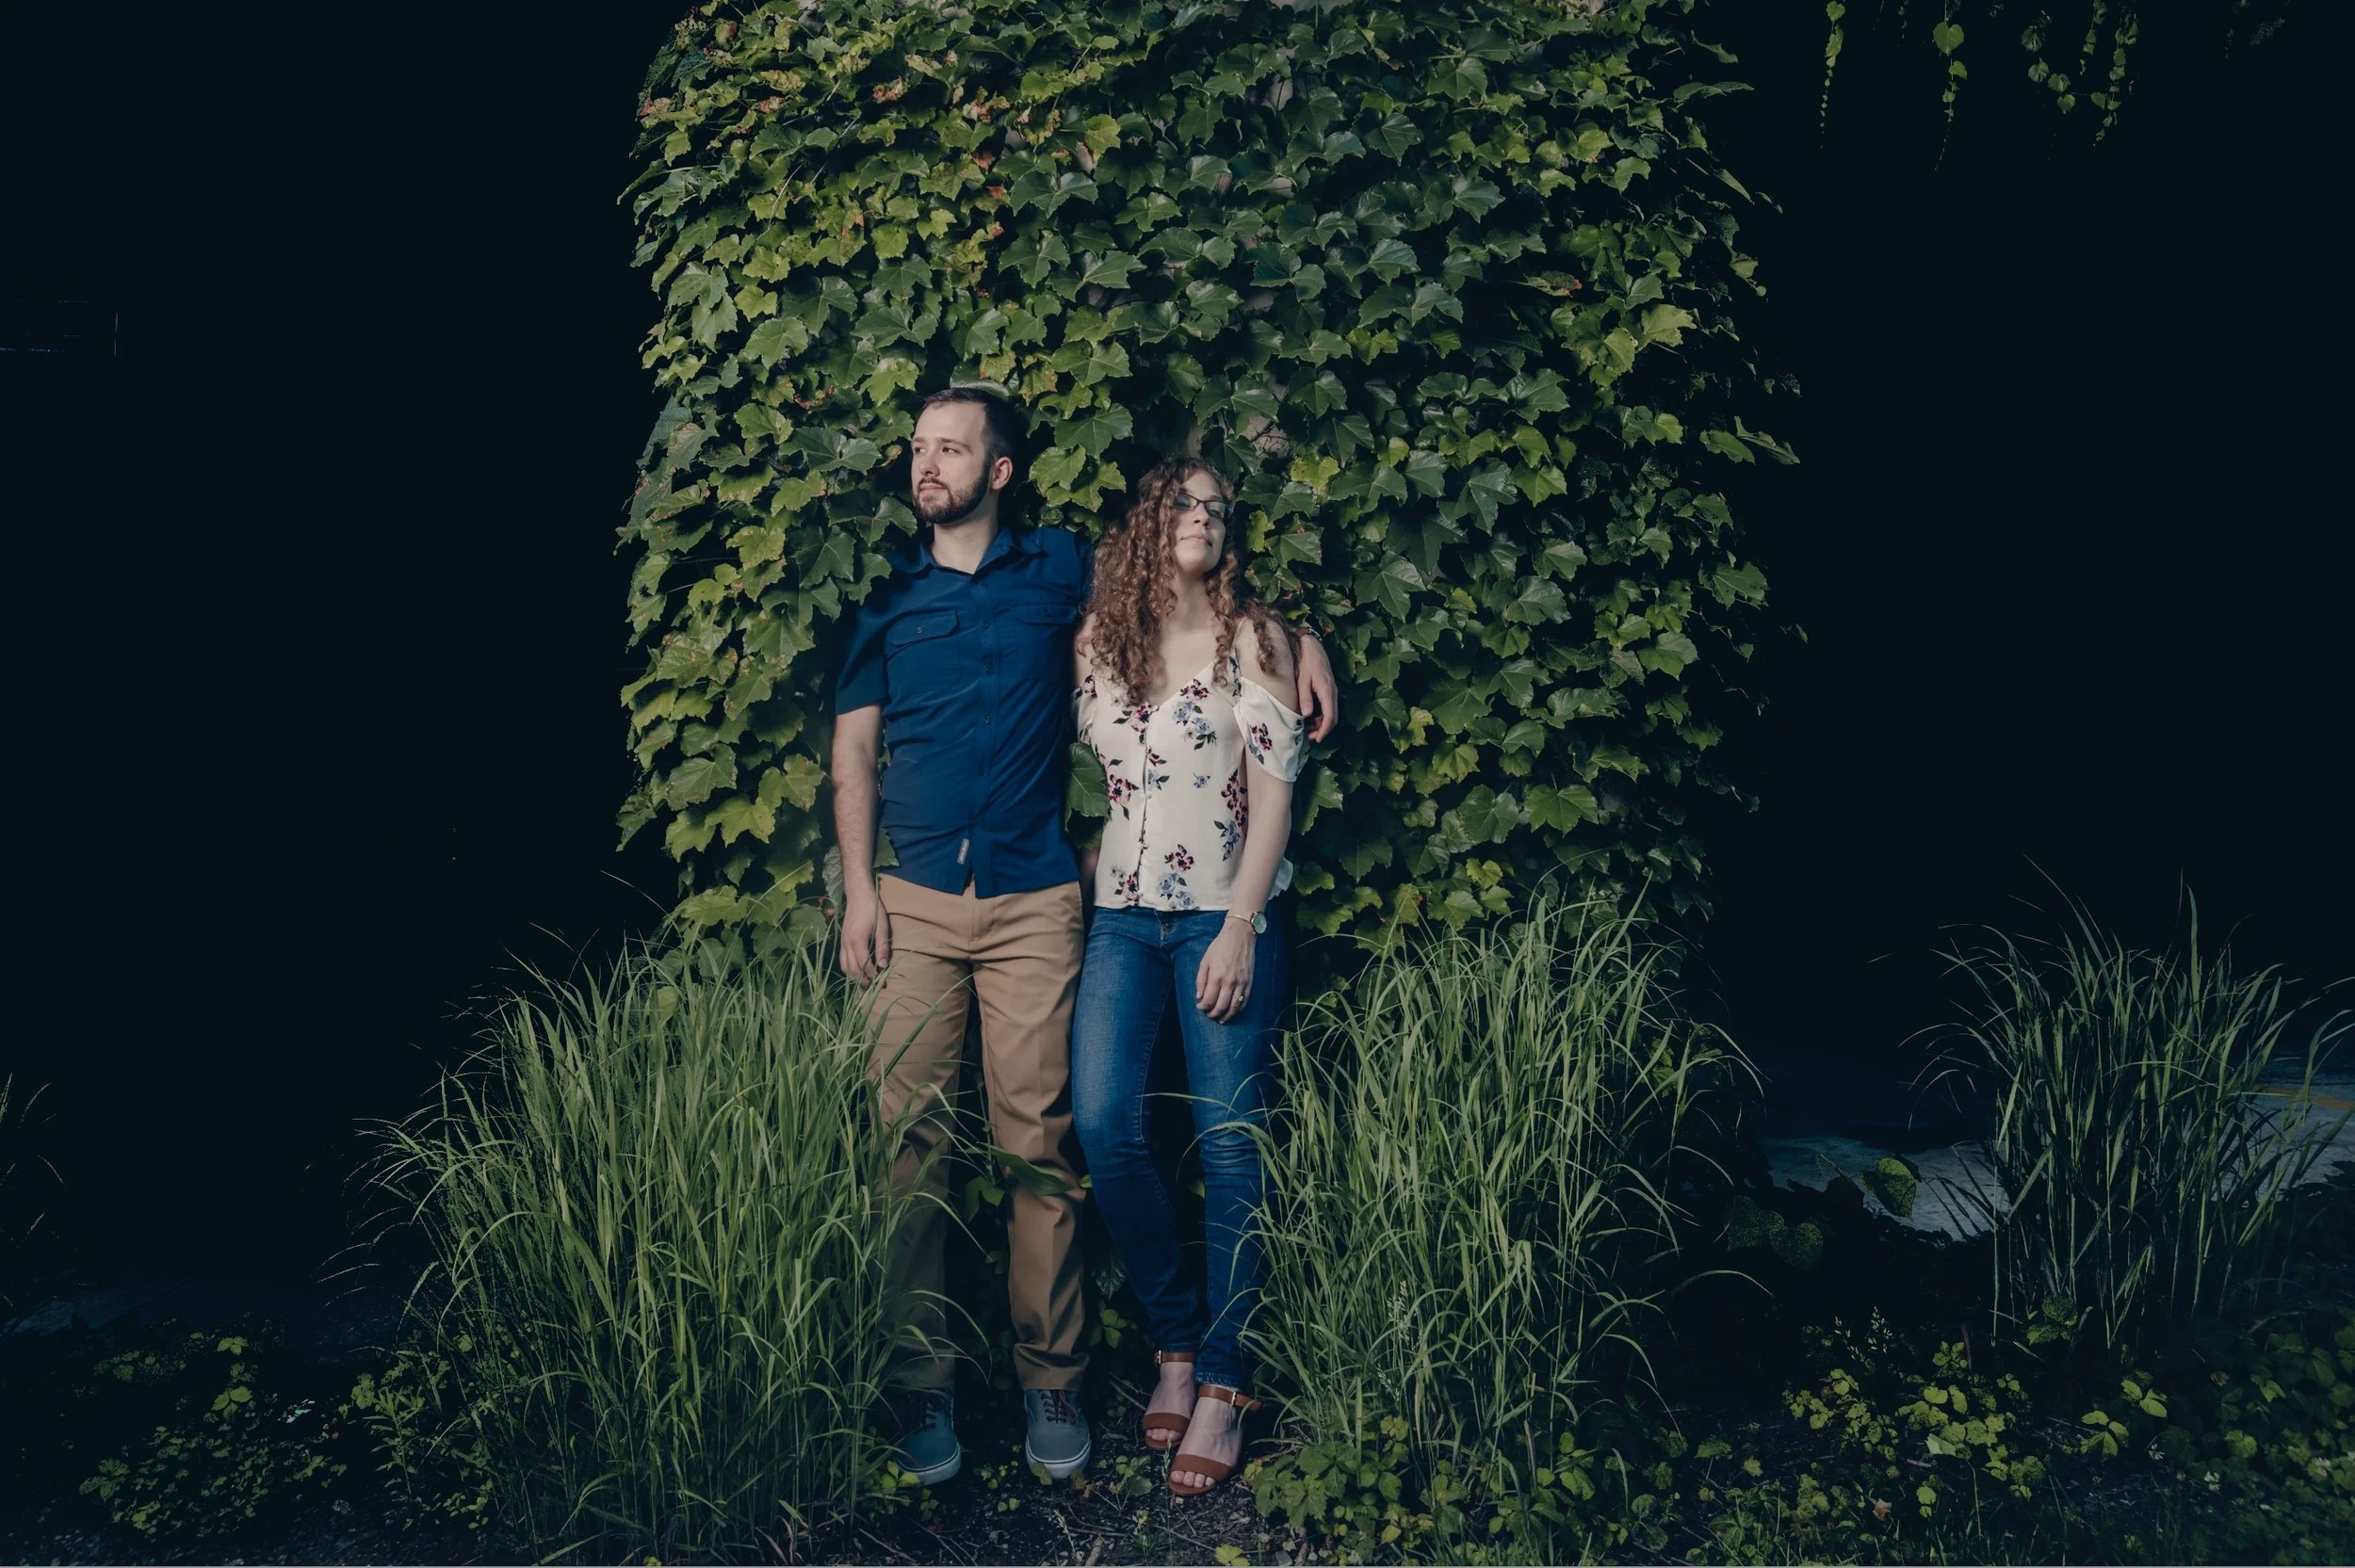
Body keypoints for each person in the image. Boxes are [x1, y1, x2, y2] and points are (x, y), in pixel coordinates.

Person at [830, 388, 1336, 1485]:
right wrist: (859, 888)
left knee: (1072, 1140)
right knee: (980, 1138)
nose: (928, 463)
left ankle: (1115, 1376)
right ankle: (941, 1381)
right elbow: (853, 750)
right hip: (1005, 903)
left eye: (952, 447)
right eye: (919, 447)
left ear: (998, 470)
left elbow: (1215, 617)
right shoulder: (930, 602)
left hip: (1087, 906)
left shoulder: (1067, 576)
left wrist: (1307, 640)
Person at [1069, 457, 1304, 1497]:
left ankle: (1222, 1378)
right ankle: (1171, 1338)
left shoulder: (1252, 636)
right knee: (1104, 1124)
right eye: (1184, 502)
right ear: (1148, 520)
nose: (1202, 517)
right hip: (1120, 915)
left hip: (1221, 910)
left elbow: (1277, 783)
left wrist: (1242, 927)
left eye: (1217, 507)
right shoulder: (1099, 636)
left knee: (1228, 1143)